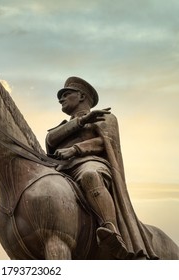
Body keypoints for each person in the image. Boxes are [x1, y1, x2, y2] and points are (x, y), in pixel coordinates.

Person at [45, 77, 158, 259]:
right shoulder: (62, 127)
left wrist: (75, 149)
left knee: (90, 175)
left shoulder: (105, 117)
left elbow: (107, 143)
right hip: (61, 169)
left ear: (81, 96)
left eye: (66, 94)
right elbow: (50, 140)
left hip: (91, 163)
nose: (61, 99)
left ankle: (110, 231)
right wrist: (80, 122)